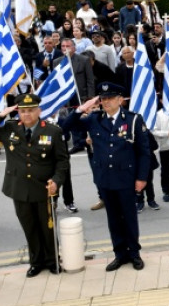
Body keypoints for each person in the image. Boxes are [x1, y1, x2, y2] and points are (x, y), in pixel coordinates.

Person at [0, 94, 70, 277]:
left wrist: (57, 181)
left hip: (44, 188)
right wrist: (1, 115)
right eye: (22, 111)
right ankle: (36, 262)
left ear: (39, 110)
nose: (26, 115)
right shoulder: (9, 128)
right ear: (17, 112)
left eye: (30, 110)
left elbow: (62, 161)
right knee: (29, 227)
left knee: (47, 227)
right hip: (19, 188)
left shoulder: (53, 131)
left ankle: (53, 261)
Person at [64, 83, 149, 271]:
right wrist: (81, 109)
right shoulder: (94, 119)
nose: (106, 102)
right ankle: (120, 254)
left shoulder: (133, 120)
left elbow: (144, 152)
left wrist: (142, 178)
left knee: (129, 217)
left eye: (110, 98)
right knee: (113, 219)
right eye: (103, 99)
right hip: (105, 178)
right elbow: (66, 127)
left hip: (126, 178)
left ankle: (134, 253)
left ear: (120, 99)